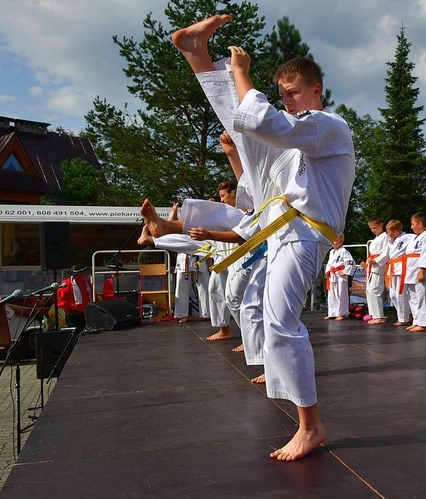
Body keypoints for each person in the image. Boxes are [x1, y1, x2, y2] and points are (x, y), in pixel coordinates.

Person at [152, 14, 355, 461]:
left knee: (281, 321)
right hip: (282, 231)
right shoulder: (297, 141)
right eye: (282, 94)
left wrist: (241, 72)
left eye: (294, 93)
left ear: (316, 89)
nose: (288, 100)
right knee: (246, 130)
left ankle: (311, 426)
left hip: (305, 235)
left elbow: (265, 124)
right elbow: (257, 170)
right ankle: (196, 54)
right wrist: (234, 149)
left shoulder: (326, 125)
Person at [404, 212, 426, 333]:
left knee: (422, 296)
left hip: (419, 269)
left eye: (413, 224)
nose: (411, 227)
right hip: (410, 268)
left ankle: (424, 323)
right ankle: (416, 320)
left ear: (420, 224)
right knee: (412, 296)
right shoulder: (415, 237)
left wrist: (422, 270)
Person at [385, 220, 414, 326]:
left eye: (389, 231)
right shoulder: (390, 241)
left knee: (400, 294)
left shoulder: (408, 237)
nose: (387, 234)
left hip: (401, 267)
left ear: (396, 232)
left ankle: (403, 318)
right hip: (392, 268)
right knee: (392, 295)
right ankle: (406, 313)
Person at [361, 216, 390, 325]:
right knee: (369, 290)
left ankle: (380, 316)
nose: (373, 230)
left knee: (375, 290)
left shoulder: (385, 237)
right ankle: (373, 314)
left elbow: (386, 253)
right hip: (372, 267)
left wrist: (376, 261)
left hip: (379, 267)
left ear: (381, 225)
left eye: (375, 227)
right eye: (371, 228)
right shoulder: (375, 240)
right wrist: (366, 264)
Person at [324, 234, 356, 321]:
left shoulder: (344, 251)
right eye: (332, 241)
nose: (333, 243)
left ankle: (342, 313)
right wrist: (328, 272)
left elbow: (351, 262)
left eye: (335, 241)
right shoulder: (331, 252)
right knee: (331, 295)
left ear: (341, 241)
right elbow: (329, 264)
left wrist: (345, 271)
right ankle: (332, 313)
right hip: (333, 275)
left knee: (341, 294)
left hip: (340, 276)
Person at [56, 264, 93, 332]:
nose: (87, 274)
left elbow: (93, 296)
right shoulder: (67, 283)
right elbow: (60, 299)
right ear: (79, 274)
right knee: (75, 334)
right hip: (73, 315)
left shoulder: (87, 283)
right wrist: (67, 309)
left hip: (87, 314)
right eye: (85, 273)